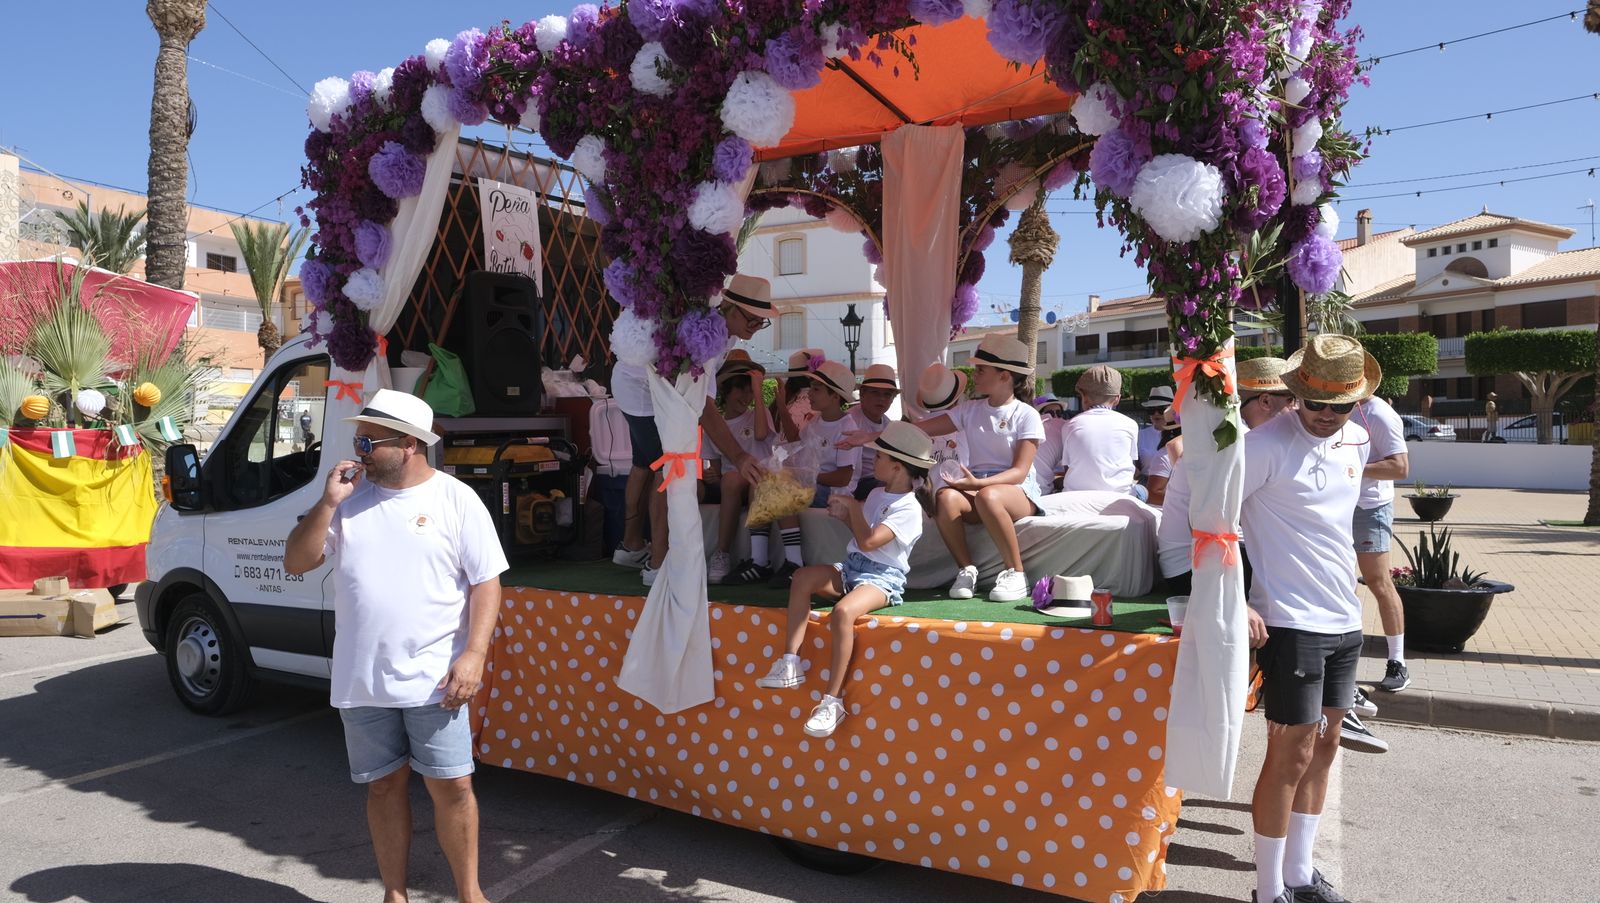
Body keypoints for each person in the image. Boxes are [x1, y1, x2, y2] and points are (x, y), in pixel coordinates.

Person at [283, 389, 507, 903]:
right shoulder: (348, 501)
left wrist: (473, 655)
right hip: (362, 679)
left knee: (451, 788)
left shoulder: (456, 499)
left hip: (438, 679)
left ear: (408, 444)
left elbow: (487, 582)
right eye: (357, 438)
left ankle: (470, 894)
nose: (358, 449)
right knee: (383, 786)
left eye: (369, 440)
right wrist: (327, 502)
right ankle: (394, 893)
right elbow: (297, 561)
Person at [1241, 335, 1380, 903]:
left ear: (1357, 403)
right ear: (1295, 392)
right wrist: (1237, 599)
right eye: (1314, 403)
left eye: (1338, 406)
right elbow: (1213, 526)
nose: (1325, 416)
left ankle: (1300, 875)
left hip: (1345, 618)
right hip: (1290, 620)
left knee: (1326, 748)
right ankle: (1267, 888)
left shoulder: (1360, 440)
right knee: (1290, 752)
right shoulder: (1261, 445)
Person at [754, 421, 935, 738]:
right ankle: (790, 661)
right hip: (853, 566)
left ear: (896, 467)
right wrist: (848, 517)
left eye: (878, 457)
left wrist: (852, 508)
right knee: (802, 577)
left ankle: (832, 700)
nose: (873, 461)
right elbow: (865, 539)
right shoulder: (879, 493)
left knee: (843, 613)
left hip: (882, 580)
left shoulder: (909, 507)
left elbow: (870, 543)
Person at [848, 335, 1044, 602]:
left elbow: (1019, 472)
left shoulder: (1026, 414)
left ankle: (1016, 572)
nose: (974, 374)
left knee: (989, 495)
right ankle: (966, 569)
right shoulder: (970, 409)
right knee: (945, 497)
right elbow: (917, 430)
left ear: (1005, 376)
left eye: (980, 369)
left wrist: (977, 485)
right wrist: (869, 437)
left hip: (1017, 491)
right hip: (981, 490)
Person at [609, 274, 773, 586]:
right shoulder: (709, 337)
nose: (755, 326)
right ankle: (658, 564)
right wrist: (738, 456)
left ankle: (631, 547)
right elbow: (705, 408)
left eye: (761, 322)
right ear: (729, 308)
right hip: (642, 392)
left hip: (638, 382)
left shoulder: (727, 333)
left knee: (645, 463)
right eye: (752, 318)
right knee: (666, 466)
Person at [749, 359, 860, 589]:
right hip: (815, 486)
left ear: (835, 397)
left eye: (817, 389)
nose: (810, 394)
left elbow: (843, 478)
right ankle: (759, 561)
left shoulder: (847, 427)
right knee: (762, 480)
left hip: (833, 493)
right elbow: (796, 443)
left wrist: (805, 475)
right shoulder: (817, 421)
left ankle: (791, 562)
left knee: (781, 485)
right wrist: (780, 405)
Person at [1354, 393, 1411, 694]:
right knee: (1338, 582)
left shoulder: (1378, 413)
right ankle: (1340, 662)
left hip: (1369, 507)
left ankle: (1397, 662)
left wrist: (1352, 467)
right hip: (1335, 504)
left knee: (1379, 582)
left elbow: (1400, 467)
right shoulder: (1329, 406)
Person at [707, 350, 772, 584]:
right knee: (730, 479)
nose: (746, 395)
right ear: (724, 390)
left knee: (735, 478)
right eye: (740, 388)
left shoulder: (759, 416)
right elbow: (714, 469)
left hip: (759, 483)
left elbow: (762, 434)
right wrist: (711, 475)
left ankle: (724, 553)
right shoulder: (714, 425)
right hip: (730, 486)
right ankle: (717, 554)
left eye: (749, 388)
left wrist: (758, 391)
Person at [1057, 365, 1140, 497]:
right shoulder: (1131, 424)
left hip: (1075, 496)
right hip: (1120, 496)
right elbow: (1131, 465)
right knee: (1142, 491)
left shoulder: (1070, 425)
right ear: (1117, 399)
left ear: (1084, 397)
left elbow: (1068, 467)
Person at [916, 362, 971, 491]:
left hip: (922, 500)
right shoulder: (965, 426)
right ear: (957, 399)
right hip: (958, 497)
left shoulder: (915, 428)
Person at [849, 363, 900, 500]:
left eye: (887, 394)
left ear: (893, 399)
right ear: (862, 394)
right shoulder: (850, 421)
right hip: (858, 484)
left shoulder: (888, 424)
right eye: (875, 392)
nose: (881, 399)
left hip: (879, 480)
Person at [1032, 394, 1069, 494]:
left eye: (1059, 413)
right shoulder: (1062, 427)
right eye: (1050, 413)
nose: (1056, 416)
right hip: (1041, 490)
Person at [1138, 385, 1175, 475]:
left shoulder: (1182, 435)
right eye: (1151, 410)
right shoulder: (1140, 435)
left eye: (1161, 409)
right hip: (1148, 484)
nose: (1156, 414)